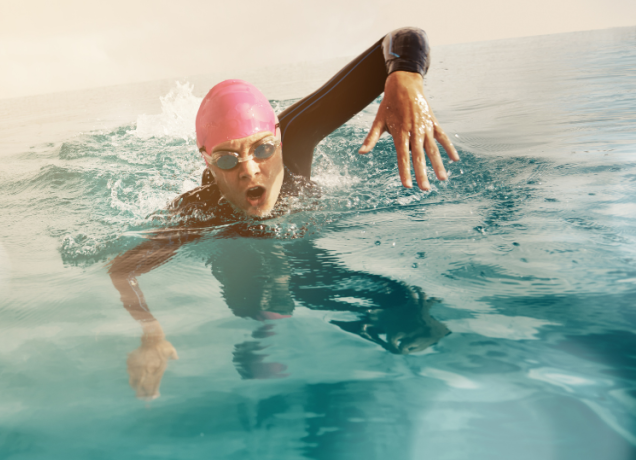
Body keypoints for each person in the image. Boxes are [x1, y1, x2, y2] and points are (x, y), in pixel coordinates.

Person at [108, 28, 458, 399]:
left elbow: (402, 38)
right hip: (242, 264)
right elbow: (123, 269)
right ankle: (265, 338)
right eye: (227, 159)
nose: (249, 170)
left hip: (302, 262)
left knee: (324, 293)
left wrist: (405, 75)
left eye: (262, 150)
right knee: (258, 298)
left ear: (277, 139)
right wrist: (151, 332)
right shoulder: (200, 211)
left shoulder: (293, 140)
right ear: (208, 165)